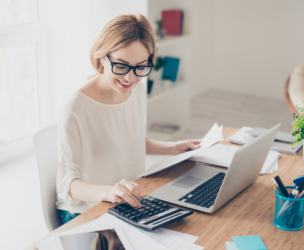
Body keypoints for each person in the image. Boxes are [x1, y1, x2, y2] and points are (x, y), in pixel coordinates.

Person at [56, 14, 201, 224]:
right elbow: (67, 183)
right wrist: (109, 192)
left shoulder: (137, 90)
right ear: (102, 57)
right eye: (121, 66)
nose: (130, 78)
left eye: (141, 67)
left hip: (130, 203)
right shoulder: (76, 105)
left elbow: (131, 141)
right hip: (87, 211)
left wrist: (173, 147)